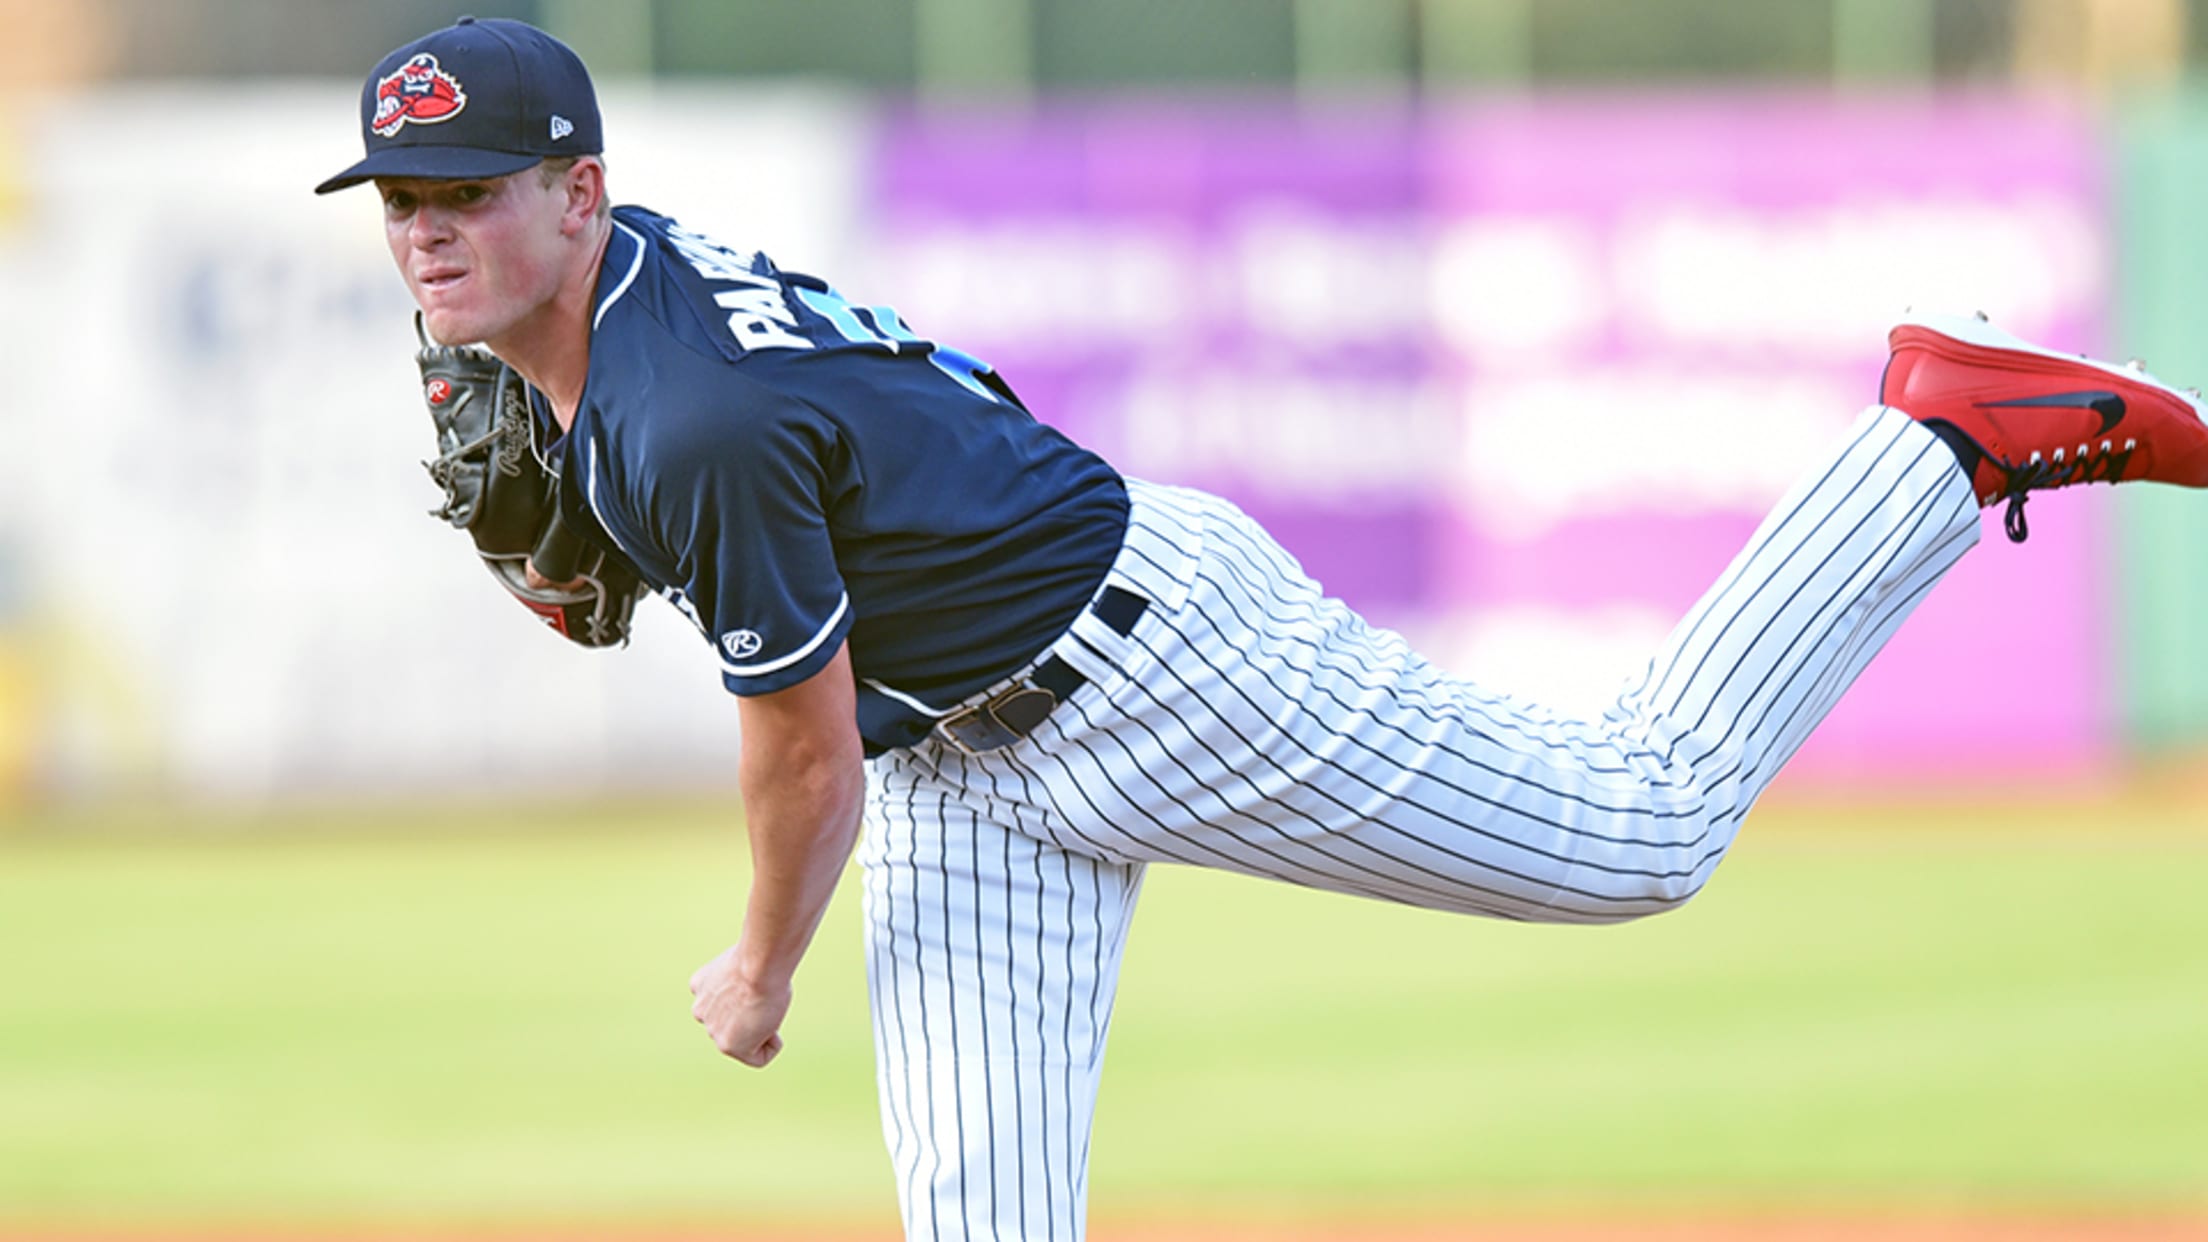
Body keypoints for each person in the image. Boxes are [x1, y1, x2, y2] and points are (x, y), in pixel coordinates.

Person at [319, 18, 2208, 1242]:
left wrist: (760, 968)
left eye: (466, 191)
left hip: (1150, 666)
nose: (424, 232)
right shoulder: (621, 306)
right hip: (960, 761)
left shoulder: (685, 420)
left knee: (1644, 821)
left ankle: (1938, 438)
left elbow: (800, 759)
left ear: (580, 191)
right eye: (401, 200)